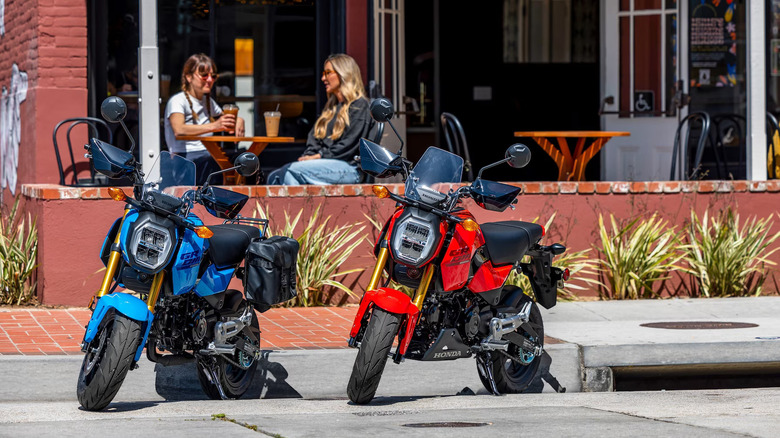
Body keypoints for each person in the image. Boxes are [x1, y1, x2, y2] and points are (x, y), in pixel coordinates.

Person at [267, 53, 374, 185]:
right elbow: (314, 140)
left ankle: (298, 199)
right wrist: (308, 156)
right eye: (324, 73)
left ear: (344, 74)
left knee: (290, 171)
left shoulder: (360, 105)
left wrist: (318, 156)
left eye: (328, 73)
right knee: (274, 176)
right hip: (326, 164)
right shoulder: (330, 108)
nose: (323, 78)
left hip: (349, 168)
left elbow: (349, 145)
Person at [164, 53, 245, 185]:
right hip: (185, 159)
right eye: (204, 75)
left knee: (244, 160)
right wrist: (215, 126)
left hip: (208, 155)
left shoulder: (208, 101)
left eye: (213, 76)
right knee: (216, 164)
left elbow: (224, 119)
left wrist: (239, 120)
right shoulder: (178, 100)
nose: (210, 80)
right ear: (189, 77)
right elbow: (179, 130)